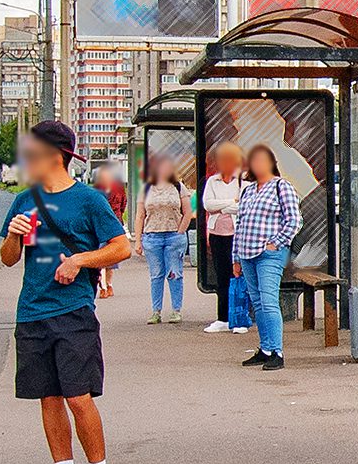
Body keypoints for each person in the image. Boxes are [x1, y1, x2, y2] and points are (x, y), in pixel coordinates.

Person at [0, 120, 132, 464]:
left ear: (55, 155)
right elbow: (8, 259)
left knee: (78, 396)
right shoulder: (24, 201)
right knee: (49, 396)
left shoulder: (88, 200)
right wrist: (14, 236)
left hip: (73, 311)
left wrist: (79, 261)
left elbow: (121, 247)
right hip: (32, 311)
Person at [232, 144, 301, 371]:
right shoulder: (248, 190)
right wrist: (235, 257)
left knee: (269, 301)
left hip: (268, 254)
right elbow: (240, 224)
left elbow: (294, 220)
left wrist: (276, 243)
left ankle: (277, 352)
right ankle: (265, 348)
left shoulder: (282, 186)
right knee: (258, 302)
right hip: (246, 253)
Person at [134, 158, 193, 325]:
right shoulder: (146, 188)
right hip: (152, 236)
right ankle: (156, 311)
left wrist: (180, 231)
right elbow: (140, 215)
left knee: (174, 274)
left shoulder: (178, 187)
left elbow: (188, 212)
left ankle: (176, 310)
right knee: (156, 275)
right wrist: (138, 240)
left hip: (174, 235)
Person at [200, 142, 248, 333]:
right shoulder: (212, 181)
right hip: (217, 234)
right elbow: (208, 205)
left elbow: (243, 207)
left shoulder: (243, 182)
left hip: (237, 235)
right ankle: (222, 318)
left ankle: (239, 319)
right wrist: (230, 202)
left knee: (238, 274)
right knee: (221, 276)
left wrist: (222, 207)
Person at [92, 166, 127, 299]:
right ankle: (108, 285)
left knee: (102, 256)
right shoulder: (119, 188)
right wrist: (119, 216)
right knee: (111, 257)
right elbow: (123, 204)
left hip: (101, 225)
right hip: (115, 223)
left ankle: (104, 288)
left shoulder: (97, 190)